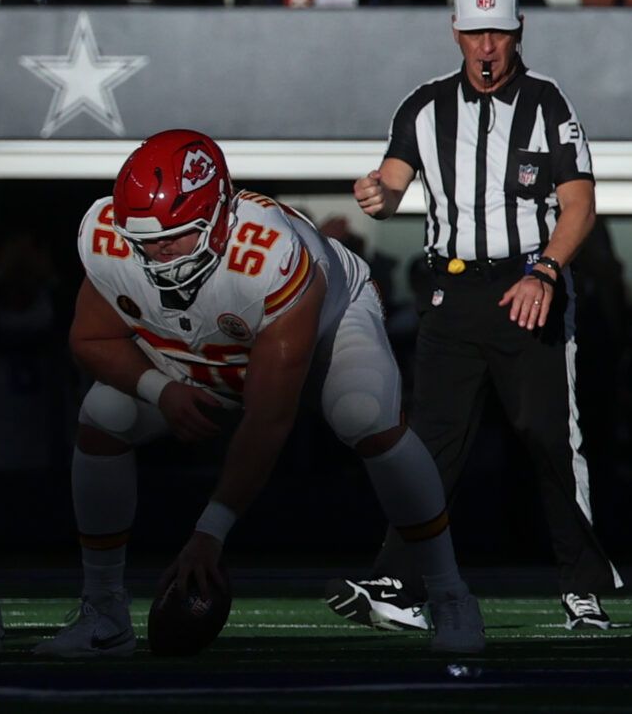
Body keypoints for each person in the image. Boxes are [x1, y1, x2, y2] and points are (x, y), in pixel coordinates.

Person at [36, 130, 485, 657]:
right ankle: (104, 612)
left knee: (362, 413)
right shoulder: (111, 237)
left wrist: (210, 533)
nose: (157, 256)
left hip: (325, 327)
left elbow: (269, 417)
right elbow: (89, 339)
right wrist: (161, 391)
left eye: (176, 236)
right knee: (104, 412)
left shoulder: (271, 254)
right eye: (144, 242)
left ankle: (451, 594)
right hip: (202, 345)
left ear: (221, 216)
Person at [330, 0, 622, 633]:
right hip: (450, 290)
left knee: (549, 438)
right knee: (431, 442)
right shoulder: (425, 107)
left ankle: (582, 586)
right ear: (455, 33)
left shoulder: (548, 104)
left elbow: (580, 203)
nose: (487, 47)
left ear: (519, 33)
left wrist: (546, 270)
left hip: (528, 287)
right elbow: (394, 182)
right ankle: (399, 580)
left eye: (498, 33)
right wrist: (376, 193)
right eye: (475, 33)